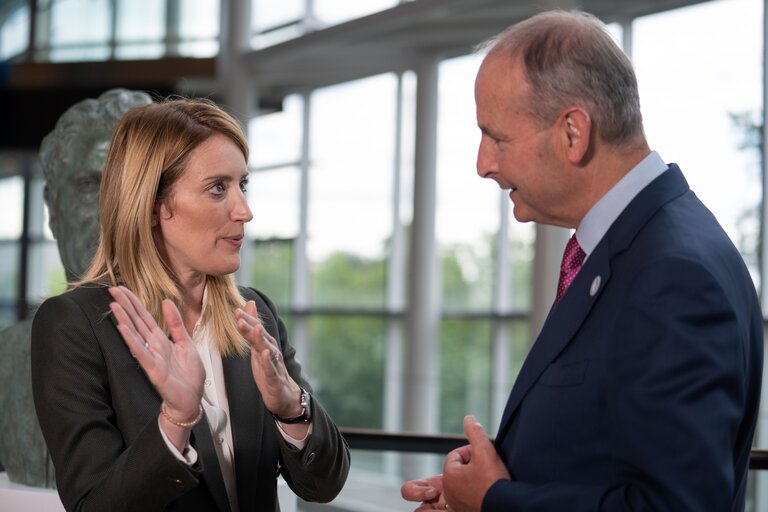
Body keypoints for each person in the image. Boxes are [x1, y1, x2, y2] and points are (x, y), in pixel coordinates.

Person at [402, 10, 762, 512]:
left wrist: (496, 501)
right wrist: (477, 492)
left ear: (573, 133)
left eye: (497, 137)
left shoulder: (674, 275)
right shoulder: (639, 247)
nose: (482, 164)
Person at [31, 97, 349, 511]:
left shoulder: (254, 315)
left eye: (242, 185)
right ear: (152, 205)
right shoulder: (75, 326)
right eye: (218, 187)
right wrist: (176, 421)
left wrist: (291, 406)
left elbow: (323, 485)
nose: (245, 211)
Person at [0, 88, 151, 487]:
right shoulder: (7, 360)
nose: (110, 213)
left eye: (129, 187)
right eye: (89, 186)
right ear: (53, 209)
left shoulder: (218, 351)